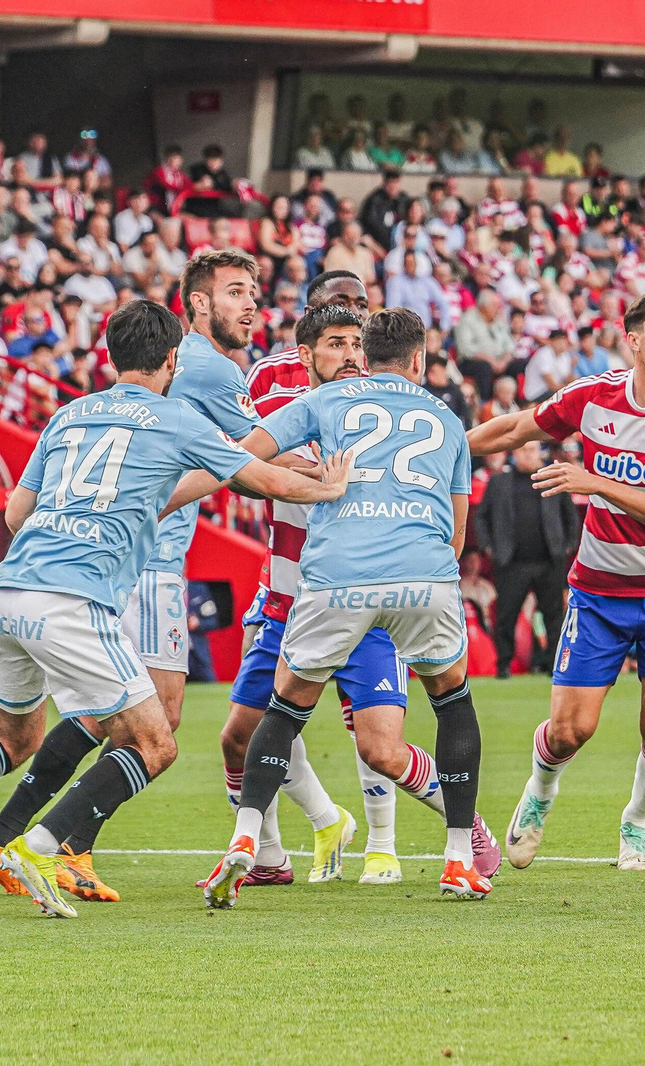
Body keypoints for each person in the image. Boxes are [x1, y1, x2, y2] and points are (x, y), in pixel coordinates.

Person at [0, 298, 350, 920]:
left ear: (113, 357)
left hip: (9, 591)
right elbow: (269, 480)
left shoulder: (68, 414)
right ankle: (42, 846)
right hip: (76, 599)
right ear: (171, 359)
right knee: (155, 742)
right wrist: (331, 486)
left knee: (15, 738)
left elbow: (15, 514)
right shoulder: (176, 418)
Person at [202, 306, 493, 906]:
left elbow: (237, 460)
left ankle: (245, 838)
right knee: (452, 702)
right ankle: (459, 859)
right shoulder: (445, 416)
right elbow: (459, 530)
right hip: (422, 574)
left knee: (284, 709)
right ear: (418, 359)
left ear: (364, 355)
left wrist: (305, 479)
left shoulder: (323, 400)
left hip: (336, 578)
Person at [468, 287, 645, 872]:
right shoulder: (592, 396)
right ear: (633, 340)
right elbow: (516, 429)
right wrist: (444, 451)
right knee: (570, 730)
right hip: (599, 592)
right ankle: (539, 793)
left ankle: (636, 821)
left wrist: (597, 483)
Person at [476, 440, 579, 680]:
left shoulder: (552, 479)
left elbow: (571, 516)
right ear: (514, 453)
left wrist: (567, 545)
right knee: (506, 616)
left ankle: (554, 664)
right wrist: (488, 547)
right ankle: (503, 665)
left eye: (532, 450)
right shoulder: (499, 482)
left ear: (539, 452)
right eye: (523, 450)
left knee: (554, 616)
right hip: (512, 562)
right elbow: (481, 517)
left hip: (548, 560)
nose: (528, 455)